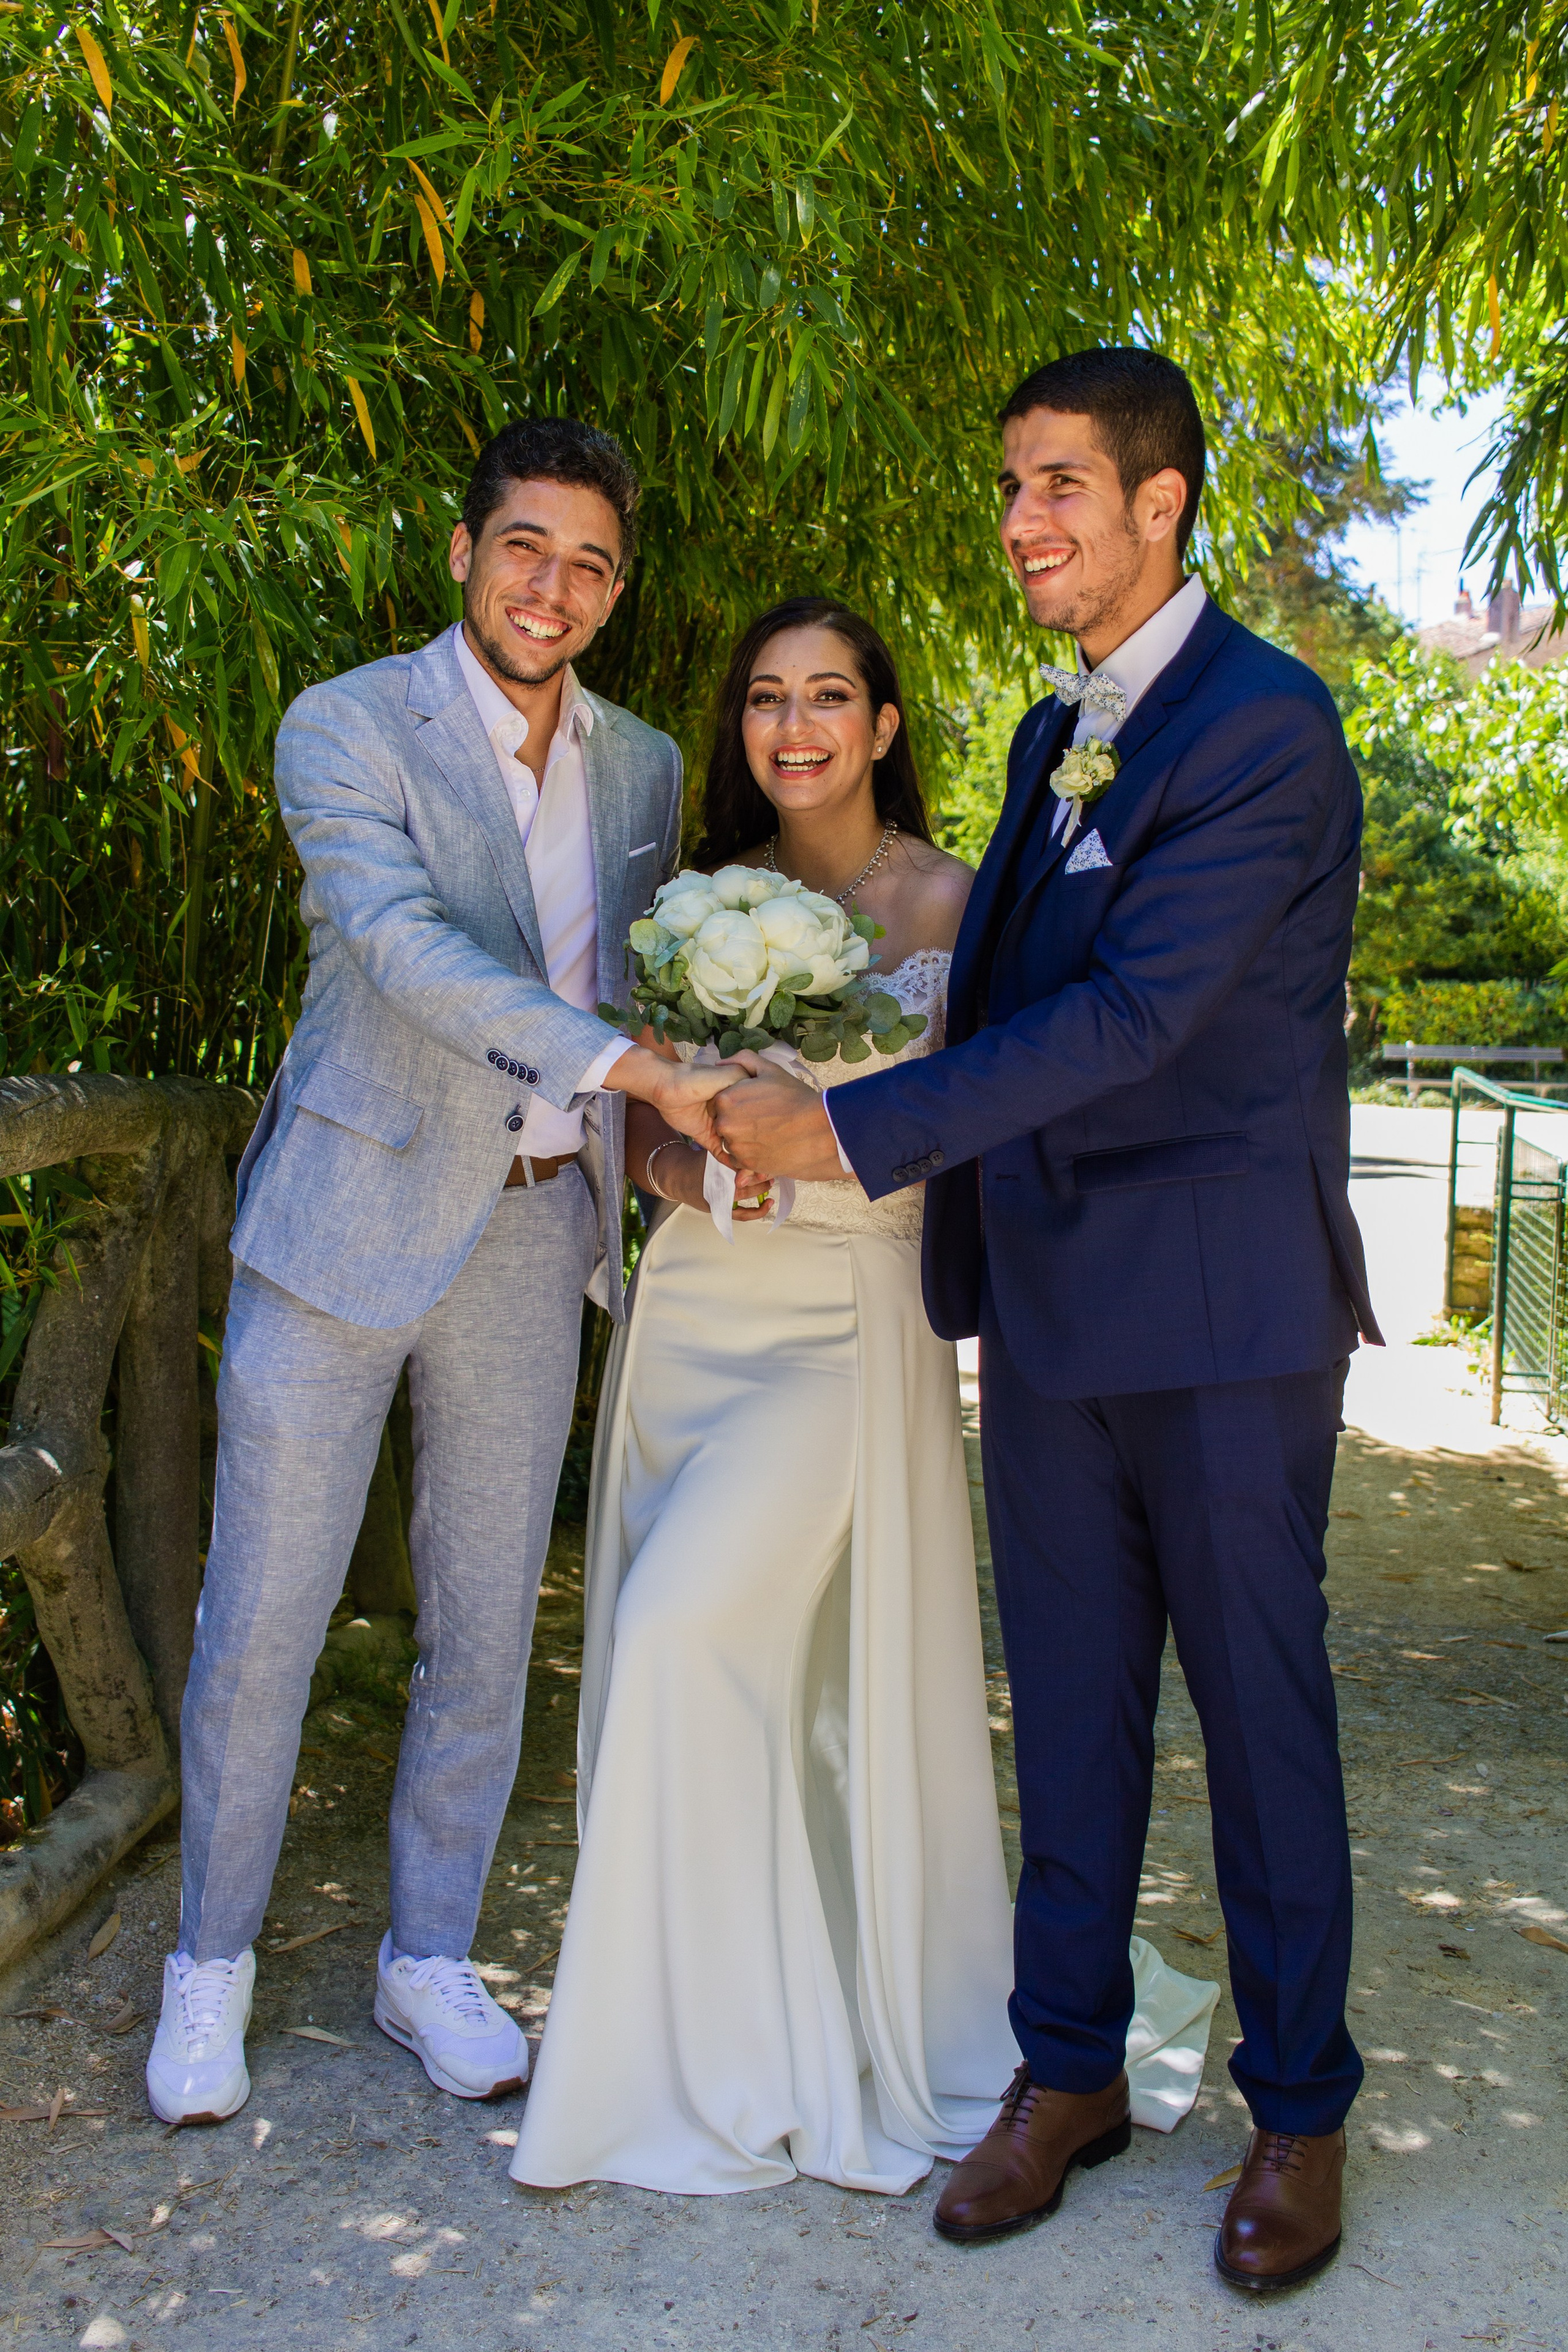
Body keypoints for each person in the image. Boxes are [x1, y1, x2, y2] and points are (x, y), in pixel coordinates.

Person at [714, 351, 1381, 2291]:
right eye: (1011, 486)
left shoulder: (1270, 730)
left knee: (1262, 1725)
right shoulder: (1040, 737)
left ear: (1161, 505)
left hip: (1227, 1319)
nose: (1022, 522)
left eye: (1060, 487)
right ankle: (1066, 2072)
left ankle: (1305, 2112)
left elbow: (1131, 1023)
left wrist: (837, 1131)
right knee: (1071, 1717)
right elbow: (998, 1005)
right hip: (1058, 1317)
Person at [508, 597, 1218, 2199]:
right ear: (742, 729)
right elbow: (641, 1133)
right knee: (699, 1656)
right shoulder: (694, 906)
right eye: (767, 698)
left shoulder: (965, 907)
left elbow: (1010, 1116)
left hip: (850, 1319)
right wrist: (714, 1170)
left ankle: (724, 2057)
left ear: (885, 726)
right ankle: (718, 2020)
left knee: (693, 1627)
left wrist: (830, 1157)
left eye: (831, 696)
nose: (797, 725)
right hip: (696, 1316)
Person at [145, 418, 738, 2128]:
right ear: (465, 550)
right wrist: (631, 1070)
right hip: (346, 1221)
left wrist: (708, 1106)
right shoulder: (344, 723)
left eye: (592, 563)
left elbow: (639, 983)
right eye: (526, 548)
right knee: (261, 1620)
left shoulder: (634, 766)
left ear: (618, 591)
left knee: (486, 1624)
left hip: (539, 1226)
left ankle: (428, 1957)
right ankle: (213, 1966)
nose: (554, 588)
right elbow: (401, 946)